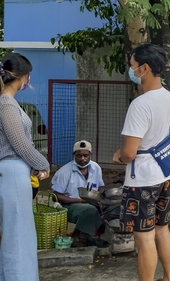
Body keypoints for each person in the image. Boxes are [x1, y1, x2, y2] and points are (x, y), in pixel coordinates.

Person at [112, 44, 170, 281]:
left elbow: (130, 153)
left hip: (143, 180)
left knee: (144, 237)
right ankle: (169, 277)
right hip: (167, 174)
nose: (130, 70)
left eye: (132, 66)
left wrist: (119, 155)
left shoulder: (140, 105)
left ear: (145, 68)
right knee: (162, 229)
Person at [0, 53, 50, 281]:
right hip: (11, 173)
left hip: (16, 171)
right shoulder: (6, 104)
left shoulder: (9, 103)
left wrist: (32, 167)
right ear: (21, 77)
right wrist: (42, 164)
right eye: (28, 76)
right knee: (17, 234)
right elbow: (19, 143)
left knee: (19, 232)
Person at [52, 140, 106, 246]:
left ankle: (83, 235)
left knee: (110, 208)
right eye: (79, 156)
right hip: (68, 206)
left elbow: (100, 186)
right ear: (74, 155)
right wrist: (80, 200)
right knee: (90, 210)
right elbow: (56, 196)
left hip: (90, 202)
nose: (82, 159)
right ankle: (81, 237)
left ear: (90, 155)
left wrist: (101, 192)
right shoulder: (64, 172)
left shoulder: (96, 168)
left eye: (85, 155)